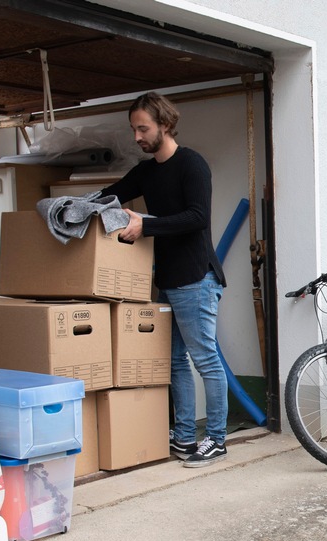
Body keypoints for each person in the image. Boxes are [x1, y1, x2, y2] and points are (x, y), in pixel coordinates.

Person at [102, 92, 229, 467]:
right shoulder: (146, 171)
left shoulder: (192, 164)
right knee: (174, 362)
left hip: (196, 278)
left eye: (143, 128)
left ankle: (218, 439)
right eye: (134, 129)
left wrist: (147, 225)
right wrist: (77, 206)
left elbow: (196, 217)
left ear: (166, 125)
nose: (137, 137)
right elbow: (111, 196)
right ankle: (186, 436)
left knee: (205, 359)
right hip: (168, 281)